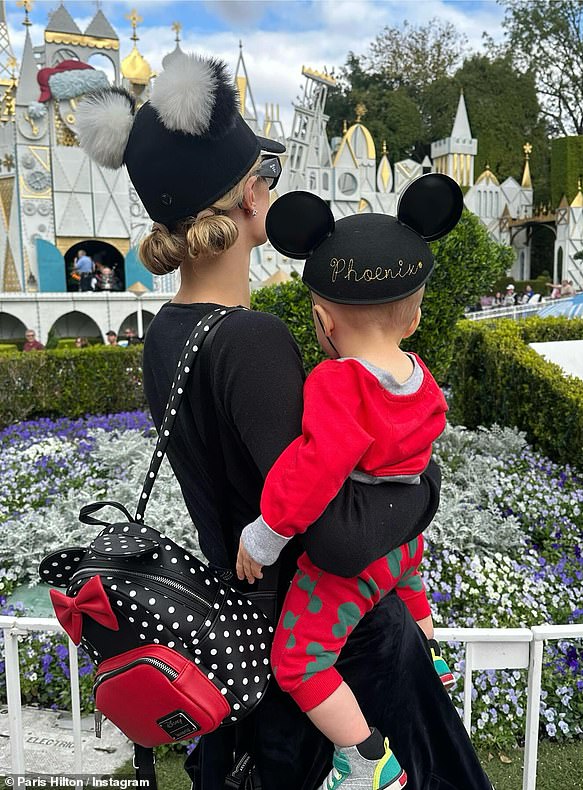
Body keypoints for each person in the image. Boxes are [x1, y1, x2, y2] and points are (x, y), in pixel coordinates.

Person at [78, 52, 493, 790]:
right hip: (332, 656)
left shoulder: (169, 332)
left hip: (246, 642)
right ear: (245, 196)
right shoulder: (253, 340)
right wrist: (426, 484)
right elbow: (335, 534)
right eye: (264, 177)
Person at [235, 182, 460, 789]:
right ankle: (433, 656)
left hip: (351, 569)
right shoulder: (421, 379)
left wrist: (264, 536)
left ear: (321, 319)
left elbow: (314, 468)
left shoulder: (338, 384)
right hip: (404, 550)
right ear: (413, 317)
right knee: (408, 584)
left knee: (298, 662)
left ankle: (365, 759)